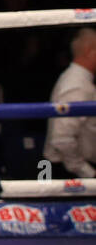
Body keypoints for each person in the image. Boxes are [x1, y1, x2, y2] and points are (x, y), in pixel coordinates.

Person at [43, 27, 96, 178]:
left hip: (70, 167)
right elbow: (62, 138)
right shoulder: (77, 84)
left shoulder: (79, 80)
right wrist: (88, 173)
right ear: (89, 50)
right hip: (68, 171)